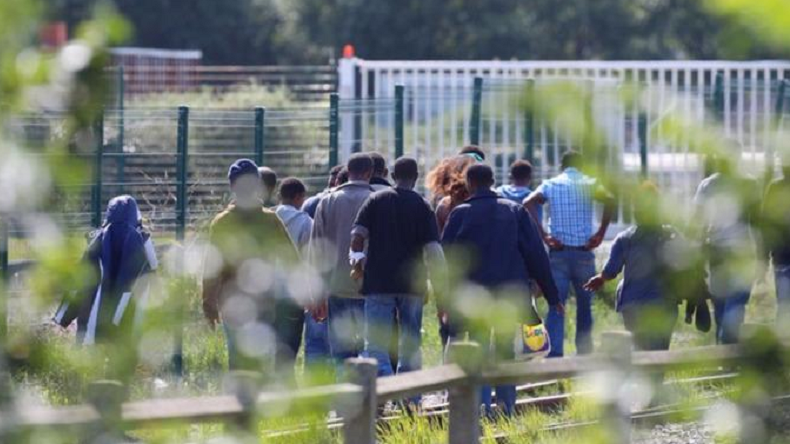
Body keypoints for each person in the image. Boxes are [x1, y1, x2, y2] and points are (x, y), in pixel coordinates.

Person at [442, 164, 562, 417]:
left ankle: (482, 408)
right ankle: (507, 408)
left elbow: (448, 261)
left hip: (475, 298)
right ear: (492, 180)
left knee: (479, 349)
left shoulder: (460, 214)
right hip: (510, 296)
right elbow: (536, 255)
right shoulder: (514, 211)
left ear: (470, 184)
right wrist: (552, 296)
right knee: (506, 350)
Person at [349, 157, 445, 382]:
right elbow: (433, 251)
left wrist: (357, 266)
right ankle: (409, 392)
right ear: (416, 177)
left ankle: (383, 387)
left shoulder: (375, 200)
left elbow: (357, 237)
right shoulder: (422, 205)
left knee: (376, 343)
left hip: (378, 282)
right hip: (412, 285)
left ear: (392, 176)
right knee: (410, 341)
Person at [202, 159, 300, 371]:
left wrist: (208, 303)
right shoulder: (270, 220)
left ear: (232, 186)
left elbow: (212, 266)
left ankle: (240, 391)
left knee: (237, 359)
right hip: (264, 298)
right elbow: (291, 259)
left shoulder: (222, 222)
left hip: (231, 300)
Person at [53, 195, 156, 389]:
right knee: (121, 376)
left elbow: (78, 284)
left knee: (91, 375)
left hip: (93, 325)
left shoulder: (96, 242)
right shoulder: (142, 243)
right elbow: (153, 280)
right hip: (127, 325)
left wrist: (63, 316)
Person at [524, 150, 615, 357]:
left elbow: (528, 202)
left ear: (562, 166)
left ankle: (555, 354)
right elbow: (610, 199)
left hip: (558, 253)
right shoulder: (590, 183)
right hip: (584, 254)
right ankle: (584, 353)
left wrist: (544, 235)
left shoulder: (551, 184)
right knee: (585, 306)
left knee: (556, 304)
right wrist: (601, 233)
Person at [584, 183, 683, 351]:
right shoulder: (671, 234)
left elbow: (610, 271)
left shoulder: (625, 238)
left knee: (640, 352)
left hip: (633, 306)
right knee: (659, 352)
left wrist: (600, 278)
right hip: (664, 305)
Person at [308, 154, 375, 375]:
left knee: (340, 354)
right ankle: (368, 393)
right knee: (369, 351)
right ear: (369, 173)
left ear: (348, 171)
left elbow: (316, 249)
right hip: (369, 288)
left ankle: (345, 394)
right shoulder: (376, 199)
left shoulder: (328, 201)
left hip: (336, 288)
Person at [693, 152, 758, 344]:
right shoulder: (749, 183)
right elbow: (757, 220)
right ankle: (727, 342)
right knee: (736, 302)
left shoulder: (707, 185)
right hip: (741, 251)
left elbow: (698, 220)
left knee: (721, 304)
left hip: (716, 252)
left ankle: (723, 348)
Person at [762, 160, 790, 335]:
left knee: (784, 304)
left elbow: (765, 223)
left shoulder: (774, 187)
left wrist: (764, 255)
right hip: (782, 256)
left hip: (781, 256)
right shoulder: (774, 187)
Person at [497, 159, 542, 224]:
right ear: (529, 177)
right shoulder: (533, 198)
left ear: (511, 176)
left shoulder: (499, 192)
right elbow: (537, 223)